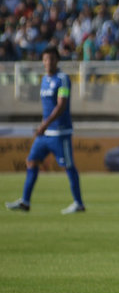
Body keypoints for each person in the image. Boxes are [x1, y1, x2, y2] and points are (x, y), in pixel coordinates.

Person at [6, 46, 86, 214]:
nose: (48, 62)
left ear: (57, 60)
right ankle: (25, 201)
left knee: (68, 167)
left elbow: (61, 105)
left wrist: (44, 124)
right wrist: (44, 126)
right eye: (46, 59)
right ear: (42, 61)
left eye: (52, 59)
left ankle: (78, 203)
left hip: (60, 133)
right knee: (31, 161)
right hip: (45, 134)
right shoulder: (43, 79)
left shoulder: (62, 79)